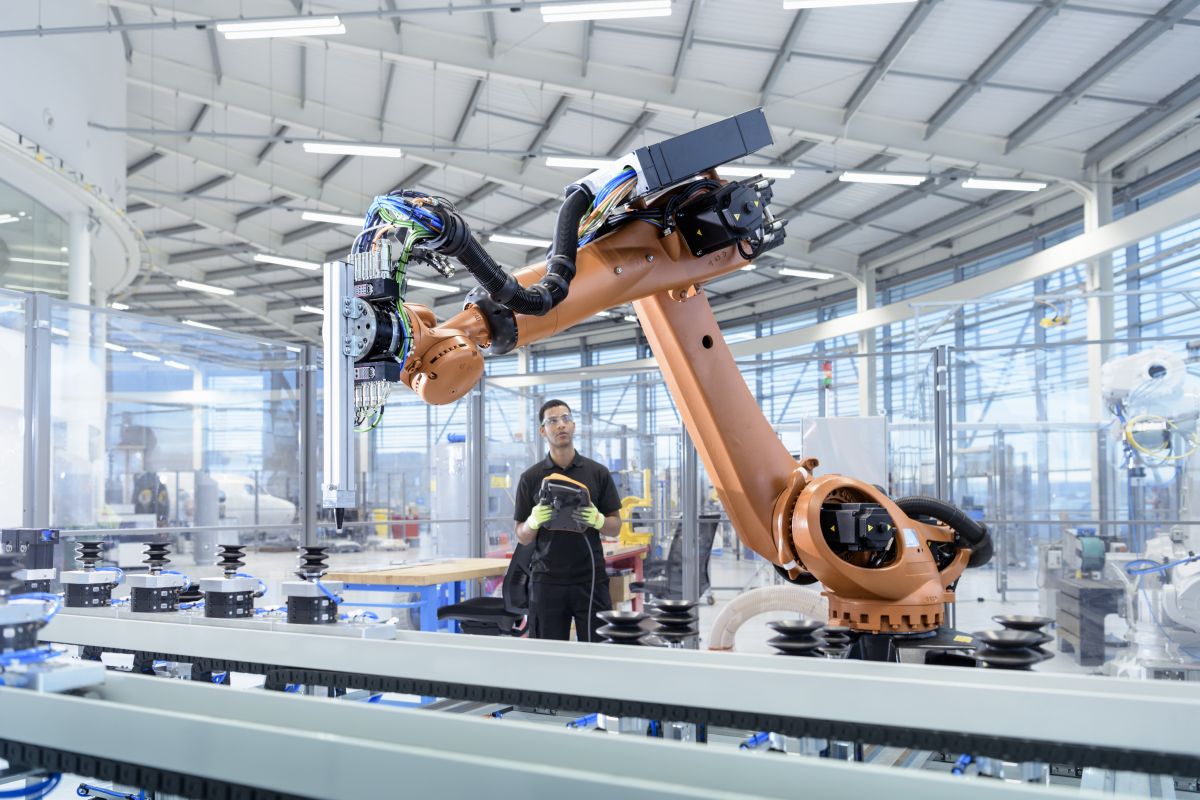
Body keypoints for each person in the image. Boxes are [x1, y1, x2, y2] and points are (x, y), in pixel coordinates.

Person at [513, 399, 621, 641]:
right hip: (547, 580)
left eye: (565, 419)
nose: (560, 425)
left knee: (598, 652)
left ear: (573, 425)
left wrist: (599, 520)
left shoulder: (598, 473)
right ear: (543, 431)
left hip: (590, 578)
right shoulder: (530, 478)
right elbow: (520, 534)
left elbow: (615, 527)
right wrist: (532, 522)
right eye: (552, 421)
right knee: (549, 659)